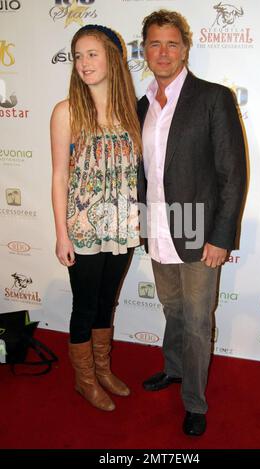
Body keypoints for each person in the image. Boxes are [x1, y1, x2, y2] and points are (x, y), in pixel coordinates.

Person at [138, 10, 246, 435]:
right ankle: (174, 368)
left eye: (171, 44)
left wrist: (221, 235)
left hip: (199, 232)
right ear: (143, 49)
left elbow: (232, 174)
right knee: (172, 309)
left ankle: (195, 402)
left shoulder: (212, 97)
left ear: (185, 48)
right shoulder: (142, 102)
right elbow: (143, 171)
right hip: (158, 226)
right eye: (154, 43)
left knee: (199, 322)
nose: (162, 52)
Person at [50, 24, 141, 411]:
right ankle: (84, 380)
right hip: (84, 229)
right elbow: (59, 176)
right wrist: (62, 234)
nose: (84, 63)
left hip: (121, 225)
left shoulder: (130, 111)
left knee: (107, 303)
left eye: (92, 54)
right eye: (78, 56)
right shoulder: (66, 111)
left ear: (113, 58)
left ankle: (102, 370)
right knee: (84, 306)